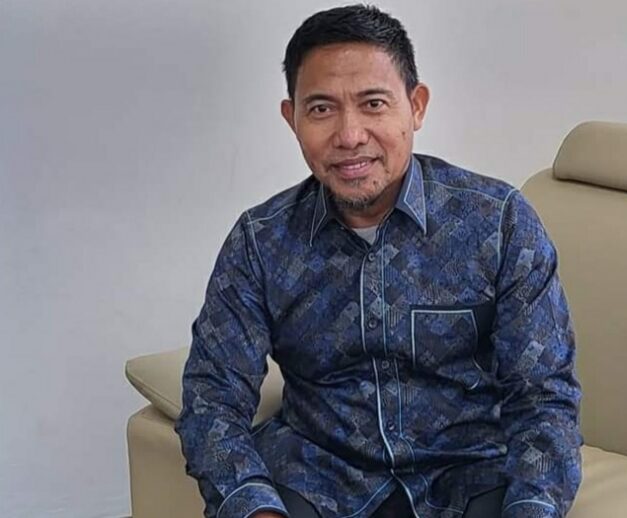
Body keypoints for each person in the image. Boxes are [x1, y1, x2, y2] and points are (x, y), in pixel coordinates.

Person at [175, 5, 582, 518]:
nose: (349, 135)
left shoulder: (497, 222)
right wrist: (254, 507)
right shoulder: (261, 241)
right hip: (318, 475)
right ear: (292, 118)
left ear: (415, 106)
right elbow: (212, 397)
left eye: (373, 104)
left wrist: (532, 508)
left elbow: (544, 398)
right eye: (321, 109)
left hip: (469, 474)